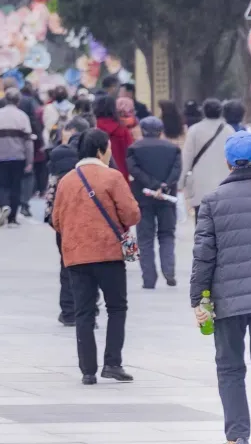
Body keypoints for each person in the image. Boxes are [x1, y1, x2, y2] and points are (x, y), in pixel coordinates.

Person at [190, 130, 251, 444]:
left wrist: (198, 299)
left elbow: (203, 256)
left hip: (226, 300)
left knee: (230, 368)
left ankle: (237, 435)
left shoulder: (212, 201)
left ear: (227, 162)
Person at [52, 128, 140, 385]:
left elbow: (56, 220)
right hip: (109, 254)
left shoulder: (66, 181)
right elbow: (132, 214)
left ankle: (87, 370)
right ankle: (112, 363)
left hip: (76, 257)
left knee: (84, 312)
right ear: (101, 150)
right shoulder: (112, 177)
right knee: (116, 307)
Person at [46, 116, 92, 326]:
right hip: (91, 218)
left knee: (67, 264)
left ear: (72, 131)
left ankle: (68, 311)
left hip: (65, 219)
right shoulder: (98, 153)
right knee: (91, 265)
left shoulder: (58, 153)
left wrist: (53, 219)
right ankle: (89, 311)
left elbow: (51, 188)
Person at [127, 116, 182, 289]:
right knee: (167, 235)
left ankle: (149, 279)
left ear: (143, 130)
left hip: (143, 198)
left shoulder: (134, 149)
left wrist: (152, 185)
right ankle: (169, 270)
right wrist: (164, 186)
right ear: (161, 131)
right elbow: (176, 170)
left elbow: (133, 170)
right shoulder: (173, 149)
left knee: (145, 239)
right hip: (167, 197)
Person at [0, 88, 34, 227]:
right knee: (15, 186)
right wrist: (29, 160)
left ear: (5, 99)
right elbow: (28, 141)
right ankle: (12, 219)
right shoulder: (22, 116)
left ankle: (4, 205)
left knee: (1, 185)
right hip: (18, 156)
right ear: (18, 101)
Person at [180, 98, 235, 222]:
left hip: (201, 185)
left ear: (203, 111)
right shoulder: (229, 130)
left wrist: (181, 182)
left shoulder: (194, 130)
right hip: (224, 185)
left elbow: (187, 158)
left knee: (202, 222)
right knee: (222, 223)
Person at [94, 95, 133, 182]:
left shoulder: (94, 129)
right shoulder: (122, 129)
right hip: (121, 173)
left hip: (98, 173)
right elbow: (130, 151)